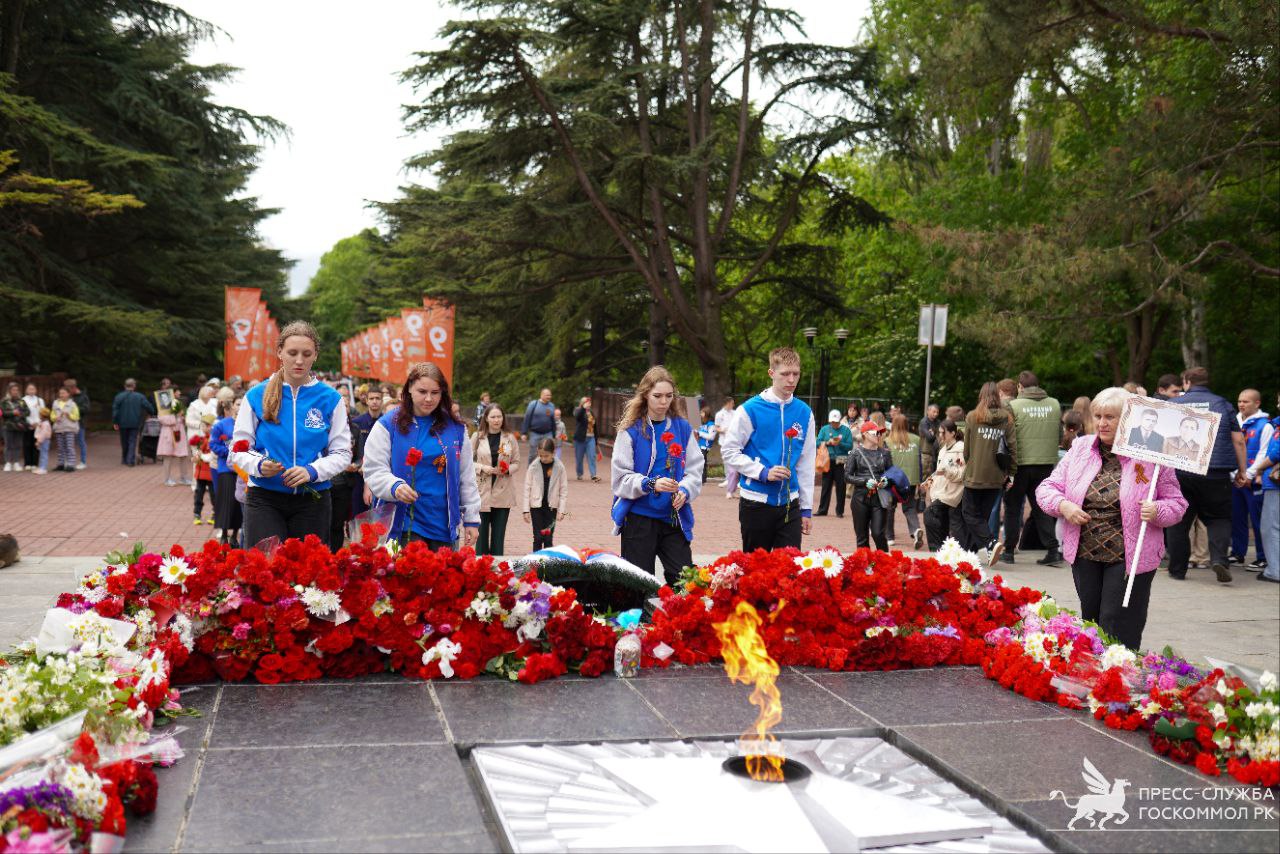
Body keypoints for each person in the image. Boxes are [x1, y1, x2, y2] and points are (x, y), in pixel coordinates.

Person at [1037, 387, 1187, 650]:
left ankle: (1122, 674)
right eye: (1097, 416)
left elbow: (1177, 503)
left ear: (1128, 419)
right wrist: (1064, 506)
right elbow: (1047, 488)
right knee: (1091, 621)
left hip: (1129, 555)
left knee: (1117, 622)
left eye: (1110, 417)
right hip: (1085, 553)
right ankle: (1093, 673)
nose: (1102, 423)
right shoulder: (1080, 448)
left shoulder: (1153, 455)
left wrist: (1157, 511)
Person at [231, 321, 353, 549]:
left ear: (315, 355)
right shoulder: (256, 395)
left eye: (306, 354)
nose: (299, 360)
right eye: (292, 353)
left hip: (313, 500)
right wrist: (259, 465)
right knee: (264, 573)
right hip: (264, 498)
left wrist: (313, 471)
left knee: (307, 577)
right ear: (279, 352)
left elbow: (342, 452)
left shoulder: (330, 398)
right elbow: (239, 448)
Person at [362, 362, 478, 549]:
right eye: (422, 391)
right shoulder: (388, 425)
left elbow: (466, 476)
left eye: (435, 393)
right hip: (403, 524)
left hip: (444, 525)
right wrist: (394, 486)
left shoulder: (456, 429)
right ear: (409, 389)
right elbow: (373, 470)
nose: (429, 399)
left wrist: (471, 519)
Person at [609, 366, 704, 582]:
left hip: (672, 517)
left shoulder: (682, 428)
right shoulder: (630, 430)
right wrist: (650, 484)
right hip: (639, 518)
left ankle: (677, 616)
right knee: (639, 585)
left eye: (669, 396)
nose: (663, 402)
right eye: (657, 396)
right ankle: (643, 617)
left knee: (686, 581)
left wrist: (685, 490)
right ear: (645, 395)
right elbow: (620, 479)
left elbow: (695, 469)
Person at [720, 348, 816, 551]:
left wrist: (806, 509)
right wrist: (762, 472)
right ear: (771, 373)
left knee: (789, 572)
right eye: (785, 374)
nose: (791, 379)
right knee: (755, 572)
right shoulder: (749, 409)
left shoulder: (805, 413)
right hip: (756, 503)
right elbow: (729, 451)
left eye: (796, 374)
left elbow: (806, 463)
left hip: (790, 504)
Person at [1164, 367, 1247, 583]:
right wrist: (1242, 470)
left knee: (1179, 522)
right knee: (1219, 518)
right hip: (1215, 472)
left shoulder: (1173, 404)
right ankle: (1219, 559)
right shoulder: (1222, 404)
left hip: (1180, 470)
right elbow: (1238, 440)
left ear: (1187, 381)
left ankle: (1177, 569)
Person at [1004, 371, 1063, 565]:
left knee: (1013, 507)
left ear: (1020, 387)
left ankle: (1009, 551)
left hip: (1020, 464)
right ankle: (1053, 550)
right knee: (1041, 507)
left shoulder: (1012, 406)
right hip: (1045, 463)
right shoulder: (1054, 404)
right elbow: (1059, 434)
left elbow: (1008, 437)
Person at [962, 382, 1017, 560]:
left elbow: (967, 450)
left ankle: (991, 543)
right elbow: (1013, 448)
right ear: (998, 396)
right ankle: (968, 554)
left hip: (975, 473)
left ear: (981, 396)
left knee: (969, 513)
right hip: (996, 476)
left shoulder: (972, 417)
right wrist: (1011, 473)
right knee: (981, 517)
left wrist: (970, 462)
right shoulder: (1007, 419)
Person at [473, 403, 521, 556]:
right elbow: (466, 462)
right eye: (493, 417)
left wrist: (508, 470)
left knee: (498, 537)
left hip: (503, 491)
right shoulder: (477, 437)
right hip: (482, 491)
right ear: (486, 418)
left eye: (499, 416)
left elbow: (517, 462)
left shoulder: (510, 438)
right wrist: (484, 468)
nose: (496, 420)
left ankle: (498, 570)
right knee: (481, 536)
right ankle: (480, 568)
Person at [1231, 389, 1269, 570]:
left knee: (1258, 520)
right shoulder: (1234, 422)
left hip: (1254, 480)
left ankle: (1263, 557)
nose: (1241, 404)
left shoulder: (1265, 425)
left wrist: (1249, 474)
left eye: (1246, 401)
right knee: (1236, 518)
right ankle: (1238, 552)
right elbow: (1230, 450)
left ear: (1257, 403)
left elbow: (1264, 453)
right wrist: (1235, 474)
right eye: (1239, 401)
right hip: (1235, 479)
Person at [1242, 403, 1279, 583]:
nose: (1278, 404)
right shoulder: (1275, 424)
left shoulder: (1271, 426)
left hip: (1275, 485)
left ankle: (1274, 570)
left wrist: (1258, 469)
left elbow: (1274, 453)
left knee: (1269, 527)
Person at [845, 420, 893, 550]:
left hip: (879, 498)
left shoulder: (885, 453)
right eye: (875, 433)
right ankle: (864, 567)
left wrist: (886, 480)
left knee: (878, 533)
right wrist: (864, 481)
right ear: (865, 434)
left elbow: (891, 473)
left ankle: (884, 563)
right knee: (862, 538)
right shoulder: (855, 453)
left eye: (880, 433)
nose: (878, 435)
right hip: (860, 498)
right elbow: (847, 476)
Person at [922, 419, 965, 550]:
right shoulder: (943, 449)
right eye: (939, 432)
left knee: (929, 514)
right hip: (940, 491)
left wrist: (946, 471)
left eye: (943, 433)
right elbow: (939, 471)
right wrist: (929, 480)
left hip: (952, 492)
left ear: (952, 433)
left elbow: (961, 475)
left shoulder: (961, 449)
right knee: (944, 523)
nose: (940, 435)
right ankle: (943, 551)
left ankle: (936, 549)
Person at [885, 413, 925, 548]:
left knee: (889, 508)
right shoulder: (916, 440)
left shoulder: (888, 441)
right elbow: (920, 462)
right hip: (911, 480)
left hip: (893, 480)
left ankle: (889, 537)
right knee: (909, 507)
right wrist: (919, 480)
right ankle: (915, 529)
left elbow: (886, 462)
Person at [524, 437, 569, 551]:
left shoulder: (560, 467)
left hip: (551, 508)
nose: (543, 458)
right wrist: (525, 510)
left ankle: (548, 566)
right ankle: (536, 564)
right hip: (536, 507)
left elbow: (563, 490)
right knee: (538, 537)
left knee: (548, 538)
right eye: (541, 455)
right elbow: (527, 488)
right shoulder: (533, 467)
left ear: (553, 453)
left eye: (546, 456)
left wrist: (561, 510)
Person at [209, 397, 243, 546]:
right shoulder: (222, 425)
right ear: (232, 407)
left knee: (238, 502)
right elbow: (213, 444)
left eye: (243, 403)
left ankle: (235, 534)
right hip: (225, 468)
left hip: (242, 470)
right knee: (225, 501)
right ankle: (223, 533)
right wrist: (228, 452)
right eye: (238, 403)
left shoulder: (249, 424)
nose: (240, 406)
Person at [350, 385, 387, 517]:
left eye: (378, 398)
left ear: (382, 401)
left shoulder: (387, 423)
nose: (375, 401)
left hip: (381, 474)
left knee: (379, 516)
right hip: (359, 476)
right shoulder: (357, 423)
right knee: (358, 514)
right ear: (366, 400)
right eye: (372, 398)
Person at [816, 409, 853, 518]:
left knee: (841, 486)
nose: (834, 424)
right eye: (832, 422)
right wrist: (827, 443)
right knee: (826, 486)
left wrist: (839, 443)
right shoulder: (824, 429)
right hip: (827, 460)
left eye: (836, 422)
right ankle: (822, 509)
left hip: (841, 460)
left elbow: (849, 446)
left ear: (839, 421)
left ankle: (839, 511)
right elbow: (817, 442)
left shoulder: (846, 430)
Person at [111, 378, 154, 466]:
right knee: (132, 440)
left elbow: (115, 411)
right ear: (134, 386)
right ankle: (130, 460)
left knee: (124, 441)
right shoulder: (139, 396)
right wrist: (151, 413)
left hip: (122, 423)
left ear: (125, 386)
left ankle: (124, 459)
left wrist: (115, 422)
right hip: (135, 422)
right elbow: (148, 406)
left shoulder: (119, 396)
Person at [156, 391, 191, 487]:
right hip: (168, 432)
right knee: (168, 456)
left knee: (183, 454)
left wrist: (183, 417)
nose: (179, 393)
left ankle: (184, 477)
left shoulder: (179, 404)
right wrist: (176, 418)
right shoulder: (162, 407)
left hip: (179, 432)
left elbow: (184, 418)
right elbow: (162, 419)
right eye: (177, 392)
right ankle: (167, 479)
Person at [190, 415, 216, 525]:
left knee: (213, 494)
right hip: (201, 472)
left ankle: (215, 513)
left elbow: (211, 455)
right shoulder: (202, 439)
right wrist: (196, 457)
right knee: (198, 494)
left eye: (205, 425)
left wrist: (201, 456)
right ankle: (197, 514)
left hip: (210, 472)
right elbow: (198, 453)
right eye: (203, 425)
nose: (203, 427)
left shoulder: (212, 439)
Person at [714, 396, 739, 498]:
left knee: (735, 466)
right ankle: (728, 481)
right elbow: (716, 428)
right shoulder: (720, 414)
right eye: (731, 403)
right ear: (727, 403)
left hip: (735, 441)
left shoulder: (735, 413)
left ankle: (731, 484)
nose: (733, 405)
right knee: (727, 463)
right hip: (724, 441)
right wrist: (724, 430)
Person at [50, 387, 80, 473]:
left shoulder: (73, 404)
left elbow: (77, 417)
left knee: (69, 447)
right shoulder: (55, 404)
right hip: (59, 429)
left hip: (69, 428)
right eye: (60, 393)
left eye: (63, 393)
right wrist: (56, 418)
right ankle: (61, 464)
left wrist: (69, 415)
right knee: (60, 447)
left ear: (68, 394)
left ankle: (70, 464)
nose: (61, 395)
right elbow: (52, 416)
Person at [1, 383, 29, 472]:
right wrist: (13, 413)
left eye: (17, 390)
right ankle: (8, 463)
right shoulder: (4, 401)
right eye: (13, 390)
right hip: (8, 426)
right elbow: (2, 413)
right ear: (9, 391)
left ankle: (16, 462)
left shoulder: (21, 401)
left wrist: (20, 414)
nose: (15, 392)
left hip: (19, 426)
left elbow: (27, 412)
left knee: (18, 444)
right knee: (8, 445)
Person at [522, 388, 557, 458]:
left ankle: (546, 468)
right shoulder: (533, 404)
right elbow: (527, 418)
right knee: (533, 454)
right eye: (547, 395)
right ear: (541, 395)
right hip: (535, 434)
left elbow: (553, 420)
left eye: (550, 395)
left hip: (548, 433)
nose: (549, 397)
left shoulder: (552, 406)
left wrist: (554, 434)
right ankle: (531, 469)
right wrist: (524, 433)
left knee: (549, 453)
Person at [573, 396, 600, 482]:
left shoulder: (591, 412)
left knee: (592, 456)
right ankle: (579, 474)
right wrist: (583, 409)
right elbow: (577, 417)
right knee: (579, 458)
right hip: (580, 438)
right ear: (582, 403)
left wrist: (596, 440)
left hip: (591, 438)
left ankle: (593, 475)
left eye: (589, 402)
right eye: (586, 402)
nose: (588, 404)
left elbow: (595, 426)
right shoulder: (578, 410)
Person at [64, 379, 90, 469]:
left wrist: (74, 409)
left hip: (79, 423)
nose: (67, 392)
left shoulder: (83, 397)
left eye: (68, 390)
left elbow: (86, 409)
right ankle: (69, 461)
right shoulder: (69, 397)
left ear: (74, 388)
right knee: (68, 442)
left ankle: (83, 462)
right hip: (68, 423)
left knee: (80, 442)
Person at [21, 383, 44, 470]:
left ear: (36, 390)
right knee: (27, 444)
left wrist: (38, 423)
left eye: (33, 389)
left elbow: (43, 412)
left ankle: (35, 463)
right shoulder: (23, 400)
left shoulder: (40, 400)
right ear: (26, 390)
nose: (31, 391)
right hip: (27, 425)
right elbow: (23, 413)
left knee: (36, 444)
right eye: (29, 389)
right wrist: (30, 423)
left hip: (38, 425)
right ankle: (27, 463)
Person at [919, 403, 940, 479]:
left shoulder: (938, 422)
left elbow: (941, 436)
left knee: (934, 477)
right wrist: (935, 433)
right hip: (926, 454)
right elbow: (929, 438)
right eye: (934, 412)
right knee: (925, 477)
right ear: (928, 411)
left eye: (937, 412)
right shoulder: (924, 422)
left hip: (936, 453)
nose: (936, 414)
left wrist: (933, 432)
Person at [32, 408, 51, 475]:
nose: (39, 415)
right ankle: (41, 467)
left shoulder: (45, 424)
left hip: (44, 441)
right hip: (42, 440)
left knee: (43, 454)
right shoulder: (42, 422)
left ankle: (43, 468)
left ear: (42, 415)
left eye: (40, 414)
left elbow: (43, 433)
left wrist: (39, 441)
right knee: (41, 454)